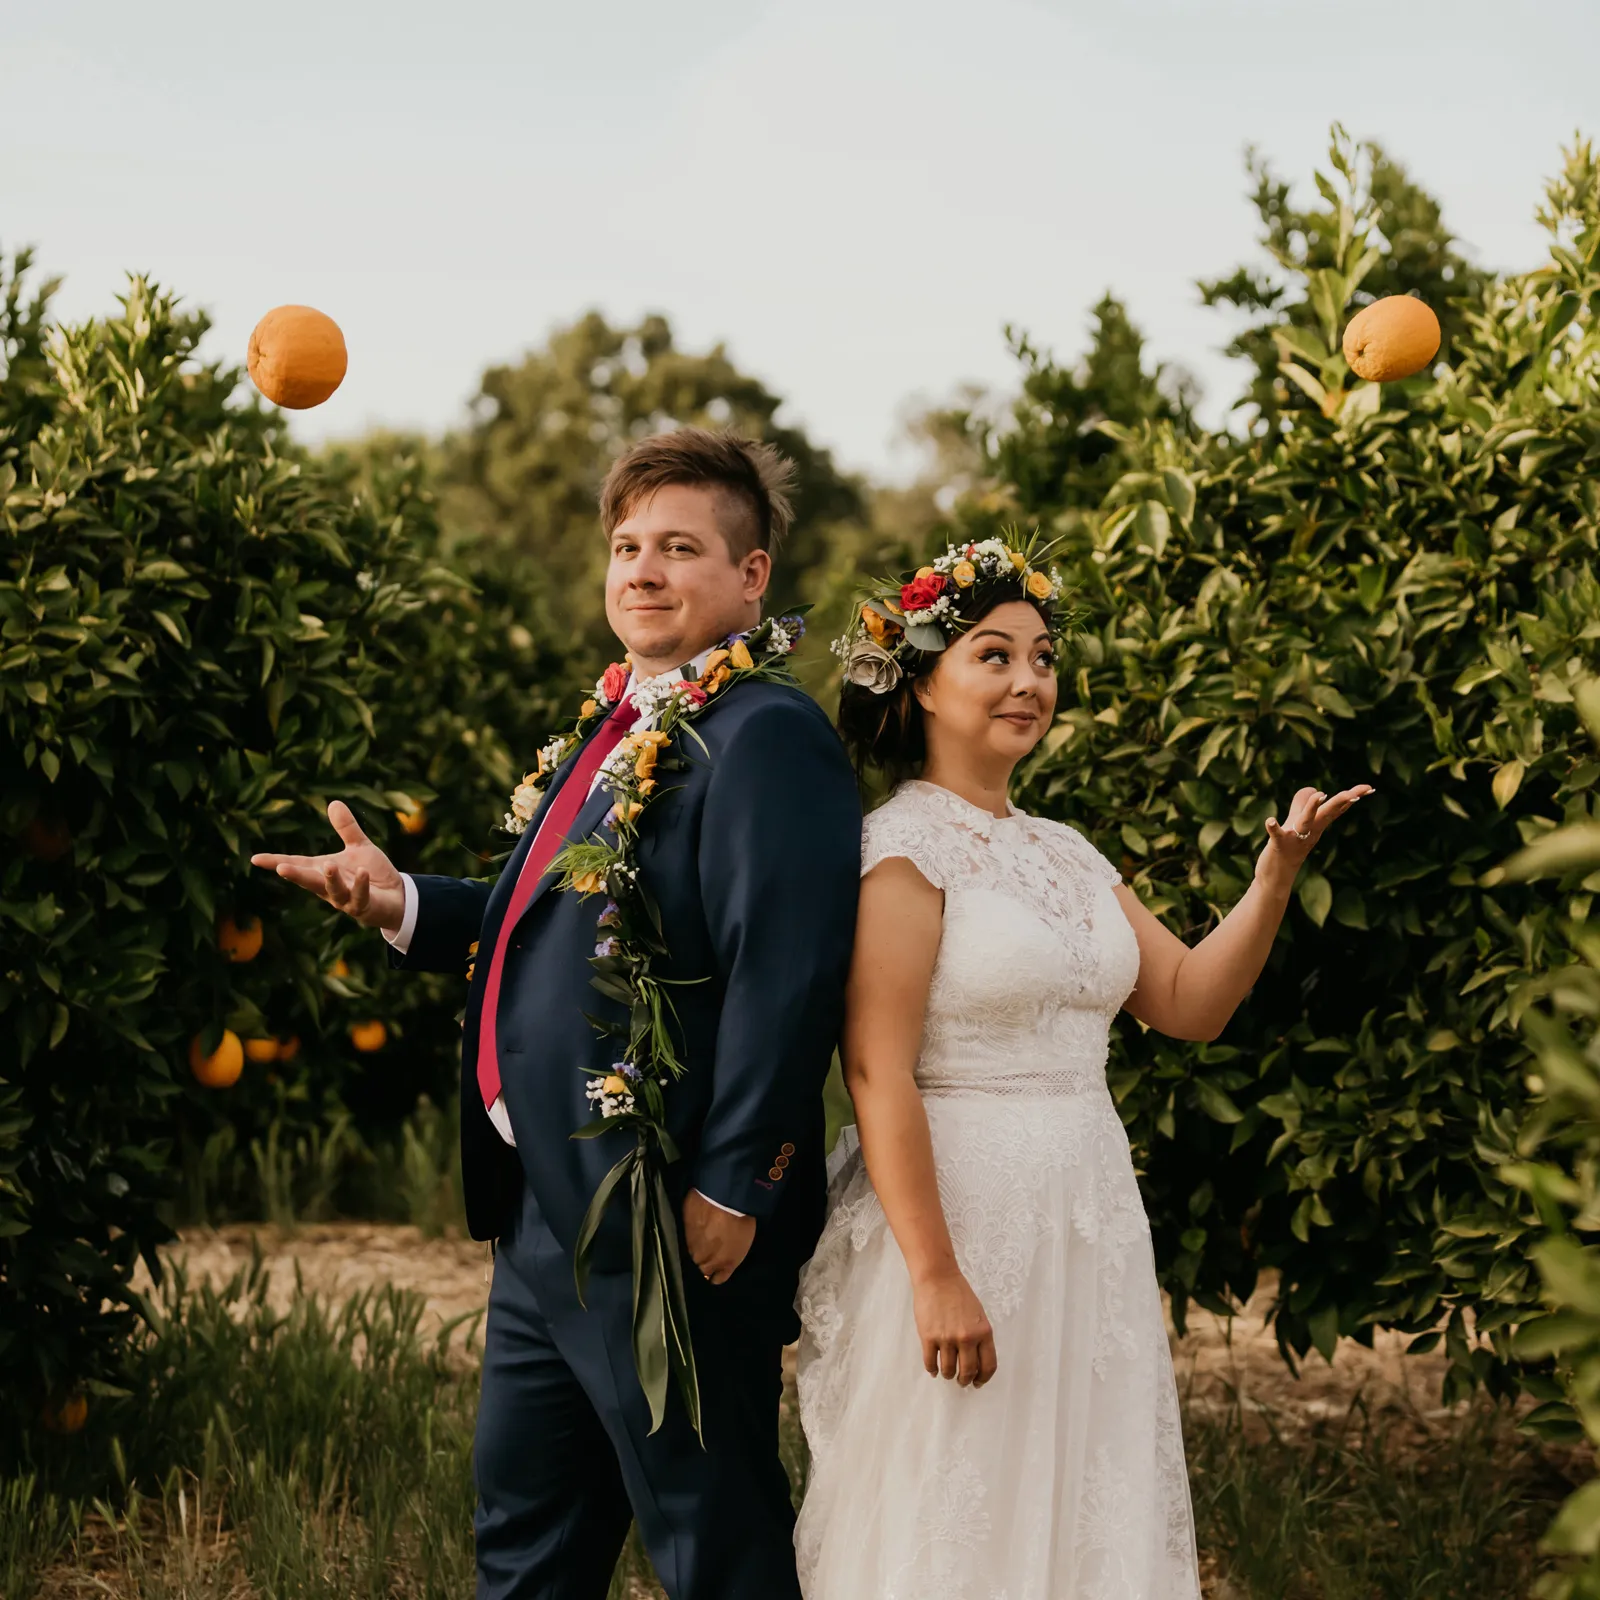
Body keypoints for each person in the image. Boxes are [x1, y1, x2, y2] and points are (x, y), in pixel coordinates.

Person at [251, 428, 862, 1600]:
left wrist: (739, 1179)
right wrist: (401, 903)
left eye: (680, 546)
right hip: (541, 1216)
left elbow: (786, 972)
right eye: (627, 544)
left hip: (664, 1216)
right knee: (523, 1544)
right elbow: (555, 928)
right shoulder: (613, 722)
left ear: (751, 577)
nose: (641, 568)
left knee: (712, 1546)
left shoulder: (766, 735)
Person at [794, 539, 1371, 1599]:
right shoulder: (900, 850)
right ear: (923, 679)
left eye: (1044, 657)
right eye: (993, 655)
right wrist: (933, 1275)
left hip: (1086, 1213)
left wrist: (1273, 879)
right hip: (963, 1215)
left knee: (1081, 1503)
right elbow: (878, 1074)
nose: (1029, 681)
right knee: (956, 1508)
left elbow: (1188, 1003)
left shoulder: (1066, 849)